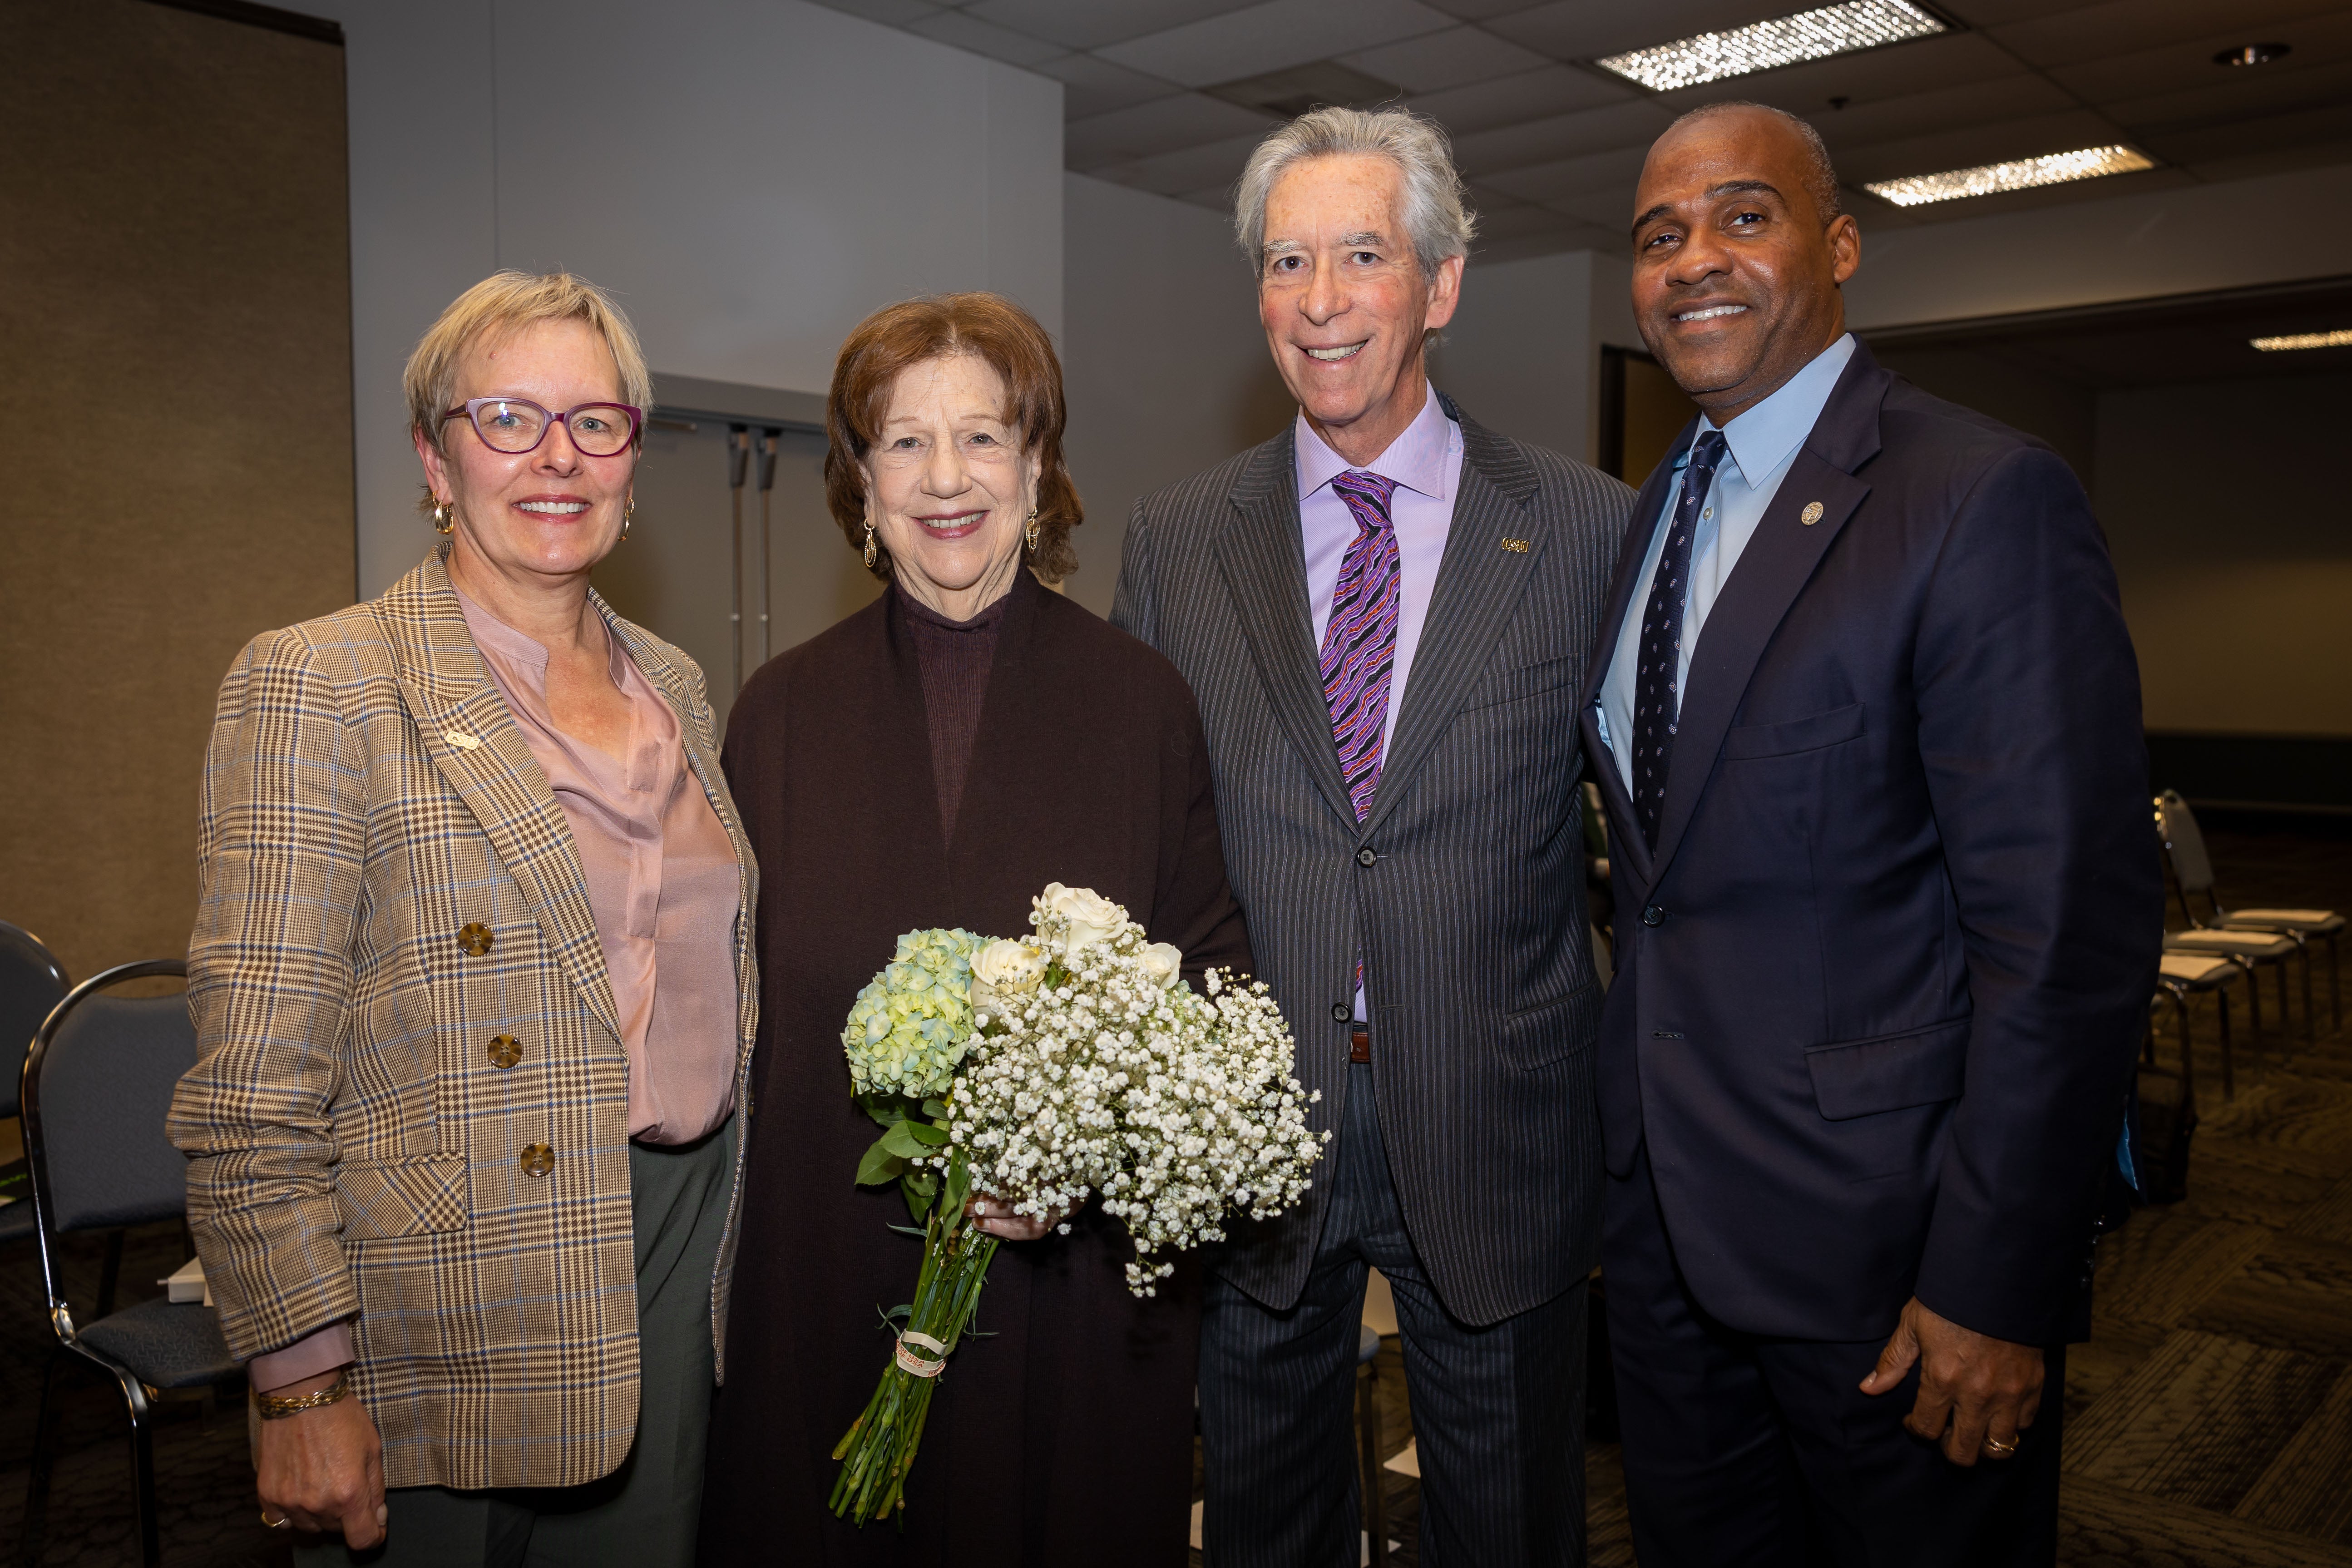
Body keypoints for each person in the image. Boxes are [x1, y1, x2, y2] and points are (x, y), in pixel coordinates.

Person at [1580, 103, 2163, 1566]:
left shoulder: (1976, 497)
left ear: (1836, 247)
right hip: (1663, 1244)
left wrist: (1996, 1280)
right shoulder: (1648, 514)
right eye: (1659, 236)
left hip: (1890, 1273)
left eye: (1741, 216)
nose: (1692, 259)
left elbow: (2065, 941)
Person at [169, 271, 759, 1567]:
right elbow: (253, 1093)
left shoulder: (677, 683)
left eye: (595, 423)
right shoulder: (321, 683)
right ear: (435, 458)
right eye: (507, 418)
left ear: (630, 458)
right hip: (455, 1293)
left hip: (671, 1256)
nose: (556, 456)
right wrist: (302, 1381)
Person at [1112, 107, 1632, 1567]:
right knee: (1265, 1518)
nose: (1322, 299)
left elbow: (1661, 848)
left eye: (1360, 255)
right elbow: (1135, 834)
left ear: (1442, 285)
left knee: (1511, 1520)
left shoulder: (1585, 531)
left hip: (1497, 1111)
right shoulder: (1178, 540)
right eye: (1288, 262)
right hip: (1253, 1120)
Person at [700, 292, 1251, 1567]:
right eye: (903, 443)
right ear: (858, 479)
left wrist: (1079, 1162)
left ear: (1039, 464)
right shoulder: (777, 717)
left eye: (984, 438)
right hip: (827, 1278)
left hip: (1071, 1293)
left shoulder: (1139, 703)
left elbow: (1209, 980)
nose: (945, 479)